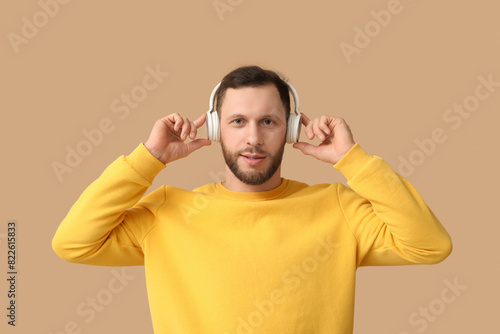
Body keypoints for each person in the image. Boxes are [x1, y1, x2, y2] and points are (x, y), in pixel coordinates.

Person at [52, 65, 452, 334]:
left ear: (292, 131)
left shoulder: (337, 208)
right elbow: (72, 243)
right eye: (237, 121)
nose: (253, 139)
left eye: (269, 122)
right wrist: (149, 159)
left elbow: (430, 245)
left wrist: (353, 160)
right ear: (214, 130)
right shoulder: (167, 211)